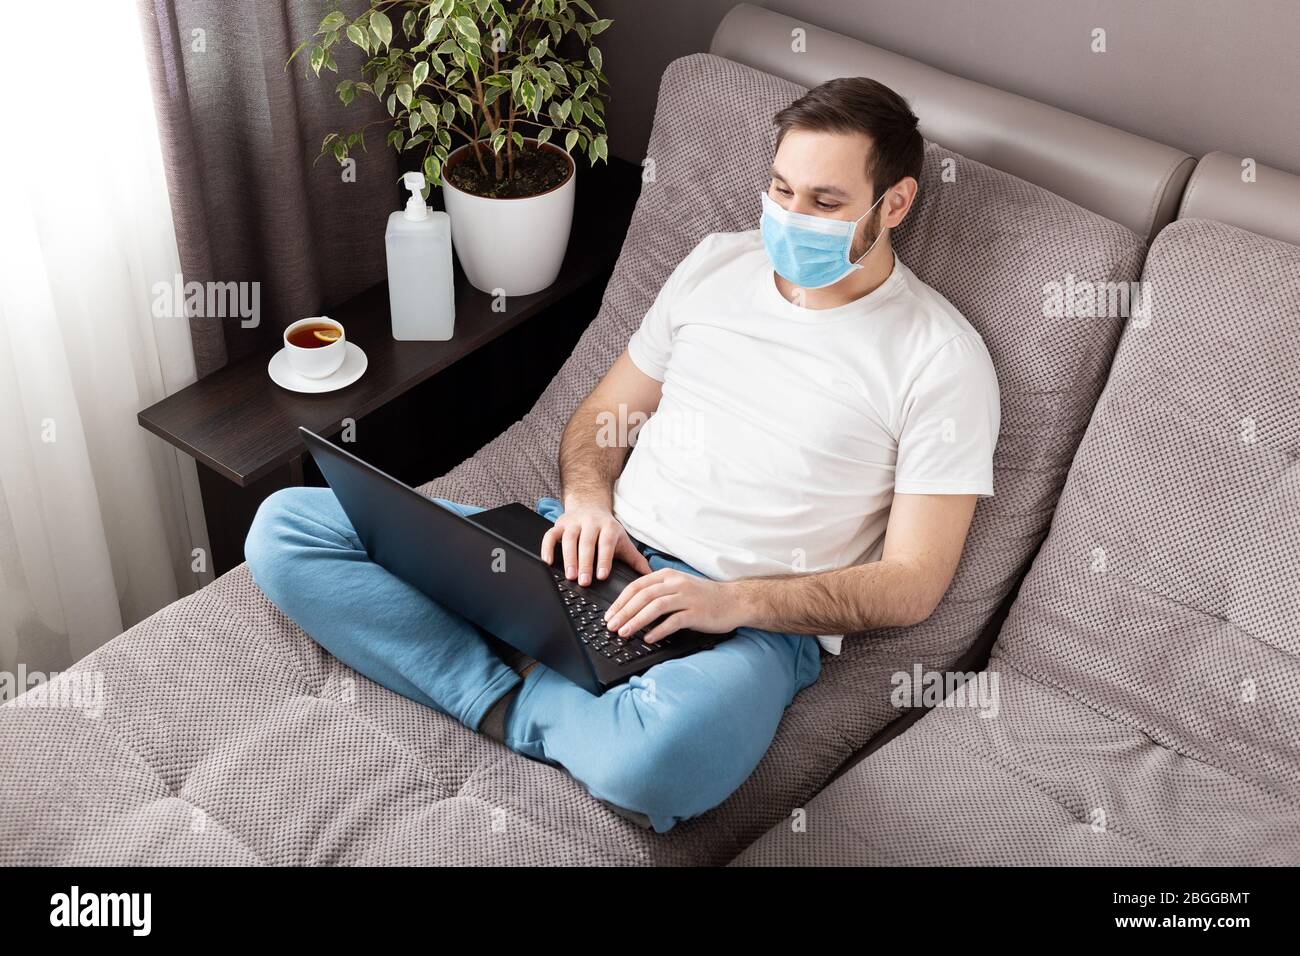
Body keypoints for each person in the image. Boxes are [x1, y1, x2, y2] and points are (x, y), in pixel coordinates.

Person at [245, 77, 1001, 833]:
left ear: (893, 204)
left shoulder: (941, 358)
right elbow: (606, 414)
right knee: (286, 530)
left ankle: (508, 692)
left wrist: (733, 601)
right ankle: (531, 690)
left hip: (742, 624)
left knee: (659, 763)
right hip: (593, 552)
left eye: (824, 202)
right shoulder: (716, 264)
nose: (789, 217)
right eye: (780, 189)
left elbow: (912, 584)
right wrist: (587, 505)